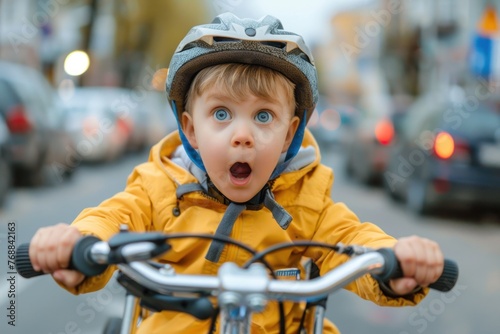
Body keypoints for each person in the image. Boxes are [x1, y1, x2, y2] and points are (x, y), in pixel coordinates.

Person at [28, 13, 444, 334]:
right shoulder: (159, 185)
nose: (242, 136)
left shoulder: (307, 199)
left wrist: (396, 262)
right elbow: (112, 218)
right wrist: (79, 244)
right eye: (221, 114)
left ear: (289, 134)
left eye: (264, 116)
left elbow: (353, 241)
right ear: (190, 128)